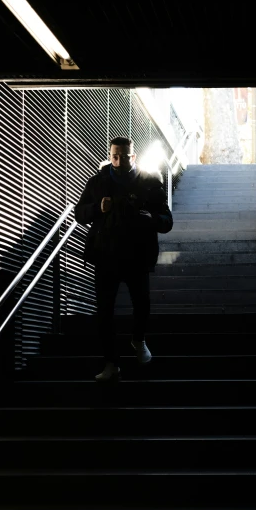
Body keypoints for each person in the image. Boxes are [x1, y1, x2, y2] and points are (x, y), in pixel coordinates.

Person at [74, 136, 173, 381]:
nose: (119, 160)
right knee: (105, 312)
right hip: (105, 256)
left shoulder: (149, 183)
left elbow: (167, 220)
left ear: (133, 156)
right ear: (110, 156)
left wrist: (151, 218)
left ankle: (138, 340)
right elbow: (80, 213)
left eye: (124, 156)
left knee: (142, 304)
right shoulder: (97, 183)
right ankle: (111, 363)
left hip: (137, 256)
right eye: (115, 155)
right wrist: (98, 208)